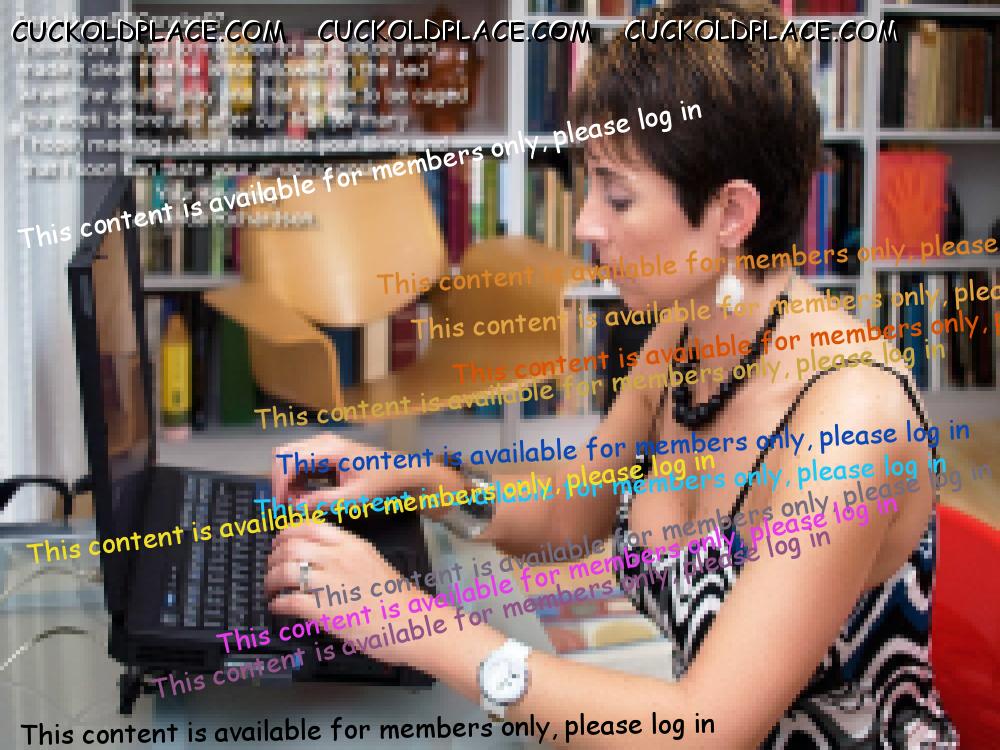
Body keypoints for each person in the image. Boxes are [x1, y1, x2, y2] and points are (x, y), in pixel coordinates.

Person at [264, 2, 957, 746]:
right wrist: (421, 481)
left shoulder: (851, 420)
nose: (586, 223)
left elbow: (704, 730)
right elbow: (568, 521)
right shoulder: (679, 335)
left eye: (617, 194)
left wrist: (413, 623)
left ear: (731, 214)